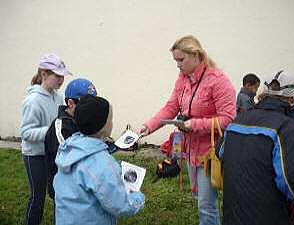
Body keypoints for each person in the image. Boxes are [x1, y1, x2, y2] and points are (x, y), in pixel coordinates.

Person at [139, 35, 236, 225]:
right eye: (175, 60)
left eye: (181, 60)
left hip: (210, 153)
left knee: (206, 206)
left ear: (196, 55)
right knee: (199, 200)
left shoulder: (218, 81)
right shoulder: (183, 78)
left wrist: (195, 124)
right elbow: (171, 107)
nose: (177, 65)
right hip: (190, 151)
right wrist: (148, 126)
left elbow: (228, 119)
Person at [218, 78, 294, 225]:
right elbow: (292, 184)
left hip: (232, 215)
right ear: (291, 98)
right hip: (268, 217)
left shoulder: (237, 121)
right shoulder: (286, 127)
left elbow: (220, 152)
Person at [54, 95, 145, 225]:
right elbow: (119, 205)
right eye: (110, 119)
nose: (112, 122)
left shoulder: (68, 147)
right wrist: (138, 198)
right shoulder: (101, 163)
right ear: (103, 126)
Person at [20, 53, 71, 225]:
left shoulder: (58, 97)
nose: (61, 79)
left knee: (58, 193)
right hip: (34, 156)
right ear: (44, 74)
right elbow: (26, 132)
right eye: (57, 75)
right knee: (38, 197)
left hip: (53, 154)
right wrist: (50, 131)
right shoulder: (33, 101)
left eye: (62, 75)